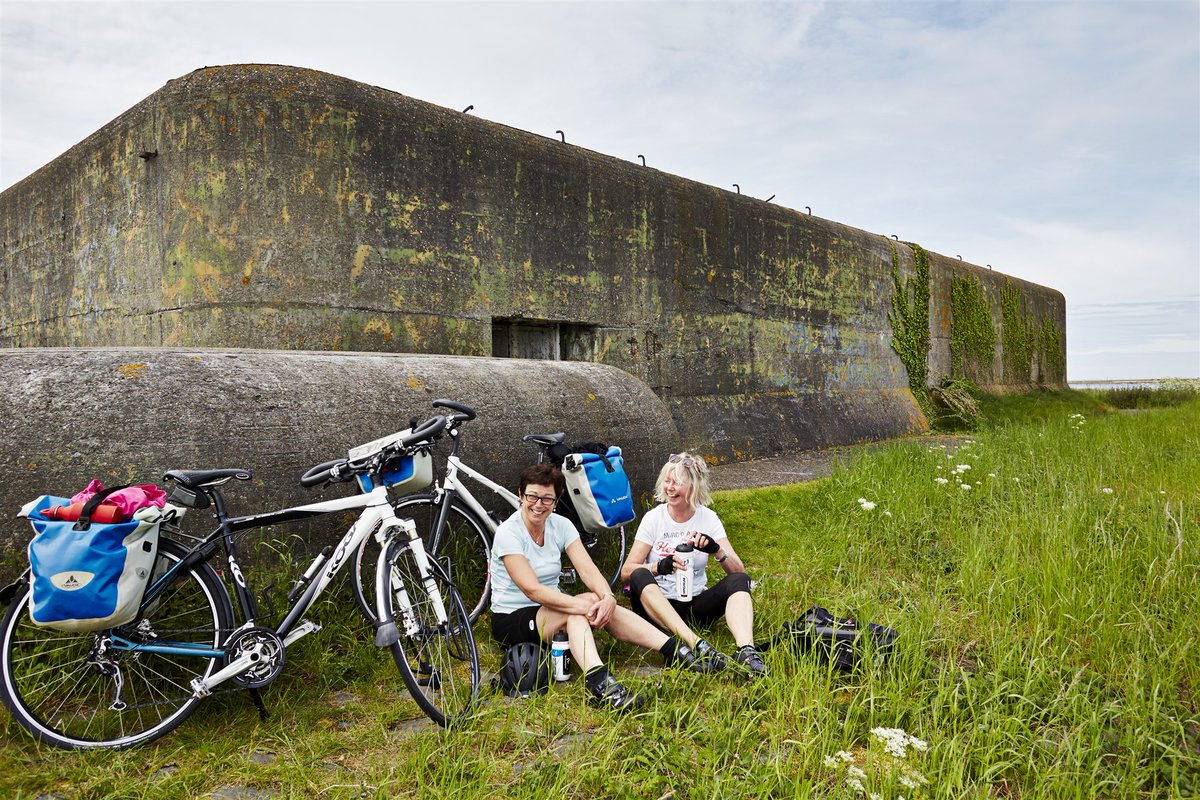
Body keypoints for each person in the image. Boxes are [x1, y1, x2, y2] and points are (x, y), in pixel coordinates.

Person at [490, 464, 721, 712]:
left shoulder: (561, 525)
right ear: (520, 495)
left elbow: (588, 571)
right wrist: (585, 605)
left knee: (592, 599)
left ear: (556, 501)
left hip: (550, 609)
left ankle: (674, 650)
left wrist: (607, 597)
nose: (538, 504)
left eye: (547, 498)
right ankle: (600, 685)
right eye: (532, 496)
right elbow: (532, 590)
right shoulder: (508, 532)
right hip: (511, 618)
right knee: (578, 610)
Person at [619, 452, 767, 676]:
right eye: (667, 481)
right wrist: (659, 567)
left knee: (740, 580)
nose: (669, 488)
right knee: (640, 574)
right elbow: (626, 572)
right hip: (656, 608)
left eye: (677, 482)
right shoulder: (654, 518)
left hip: (694, 604)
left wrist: (716, 550)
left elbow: (739, 570)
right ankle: (695, 643)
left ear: (693, 486)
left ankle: (746, 650)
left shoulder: (708, 518)